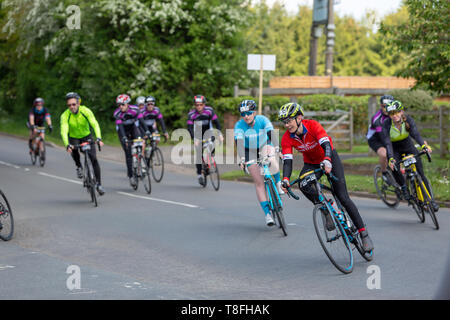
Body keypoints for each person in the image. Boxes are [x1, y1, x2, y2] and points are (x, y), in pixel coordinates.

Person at [278, 102, 374, 252]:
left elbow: (326, 143)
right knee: (303, 184)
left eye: (289, 120)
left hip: (329, 158)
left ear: (299, 118)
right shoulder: (287, 138)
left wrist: (328, 160)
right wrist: (285, 179)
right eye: (284, 122)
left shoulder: (313, 126)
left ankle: (364, 233)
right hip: (311, 164)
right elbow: (288, 161)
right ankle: (324, 208)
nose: (287, 125)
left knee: (343, 197)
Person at [380, 100, 439, 211]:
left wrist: (423, 146)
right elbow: (387, 143)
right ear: (389, 115)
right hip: (394, 149)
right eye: (392, 114)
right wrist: (391, 158)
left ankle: (431, 201)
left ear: (401, 111)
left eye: (397, 112)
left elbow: (416, 134)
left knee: (421, 175)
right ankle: (403, 186)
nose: (395, 115)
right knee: (394, 166)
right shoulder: (386, 125)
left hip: (408, 146)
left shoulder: (408, 121)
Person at [234, 100, 284, 227]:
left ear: (254, 112)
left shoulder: (262, 120)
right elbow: (239, 143)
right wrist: (242, 159)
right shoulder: (239, 125)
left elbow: (271, 133)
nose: (246, 116)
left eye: (249, 113)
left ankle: (278, 183)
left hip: (264, 145)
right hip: (249, 150)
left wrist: (277, 148)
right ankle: (267, 214)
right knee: (259, 182)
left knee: (271, 159)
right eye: (243, 114)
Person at [60, 92, 105, 195]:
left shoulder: (86, 111)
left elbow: (94, 123)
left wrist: (98, 138)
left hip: (87, 136)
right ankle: (79, 166)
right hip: (74, 137)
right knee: (73, 149)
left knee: (93, 159)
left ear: (78, 103)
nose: (71, 107)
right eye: (69, 105)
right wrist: (67, 144)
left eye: (73, 104)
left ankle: (99, 184)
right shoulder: (65, 115)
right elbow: (64, 130)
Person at [113, 94, 151, 187]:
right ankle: (130, 175)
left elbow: (141, 121)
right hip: (123, 131)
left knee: (140, 143)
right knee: (128, 153)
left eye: (122, 104)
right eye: (119, 105)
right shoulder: (117, 113)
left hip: (133, 128)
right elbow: (120, 127)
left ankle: (141, 164)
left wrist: (147, 131)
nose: (120, 106)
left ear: (127, 104)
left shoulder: (135, 109)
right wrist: (124, 138)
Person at [187, 95, 223, 186]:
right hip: (197, 133)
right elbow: (190, 128)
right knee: (199, 155)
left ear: (204, 104)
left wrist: (220, 134)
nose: (199, 107)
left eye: (201, 104)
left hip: (208, 131)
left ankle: (210, 156)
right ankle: (199, 174)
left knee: (212, 142)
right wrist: (194, 138)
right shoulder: (191, 114)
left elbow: (217, 123)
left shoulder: (209, 111)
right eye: (197, 105)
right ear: (194, 105)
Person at [366, 95, 394, 180]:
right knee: (384, 154)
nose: (386, 108)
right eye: (383, 106)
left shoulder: (395, 115)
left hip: (388, 137)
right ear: (381, 105)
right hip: (375, 139)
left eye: (388, 106)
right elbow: (383, 137)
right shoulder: (377, 119)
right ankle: (384, 172)